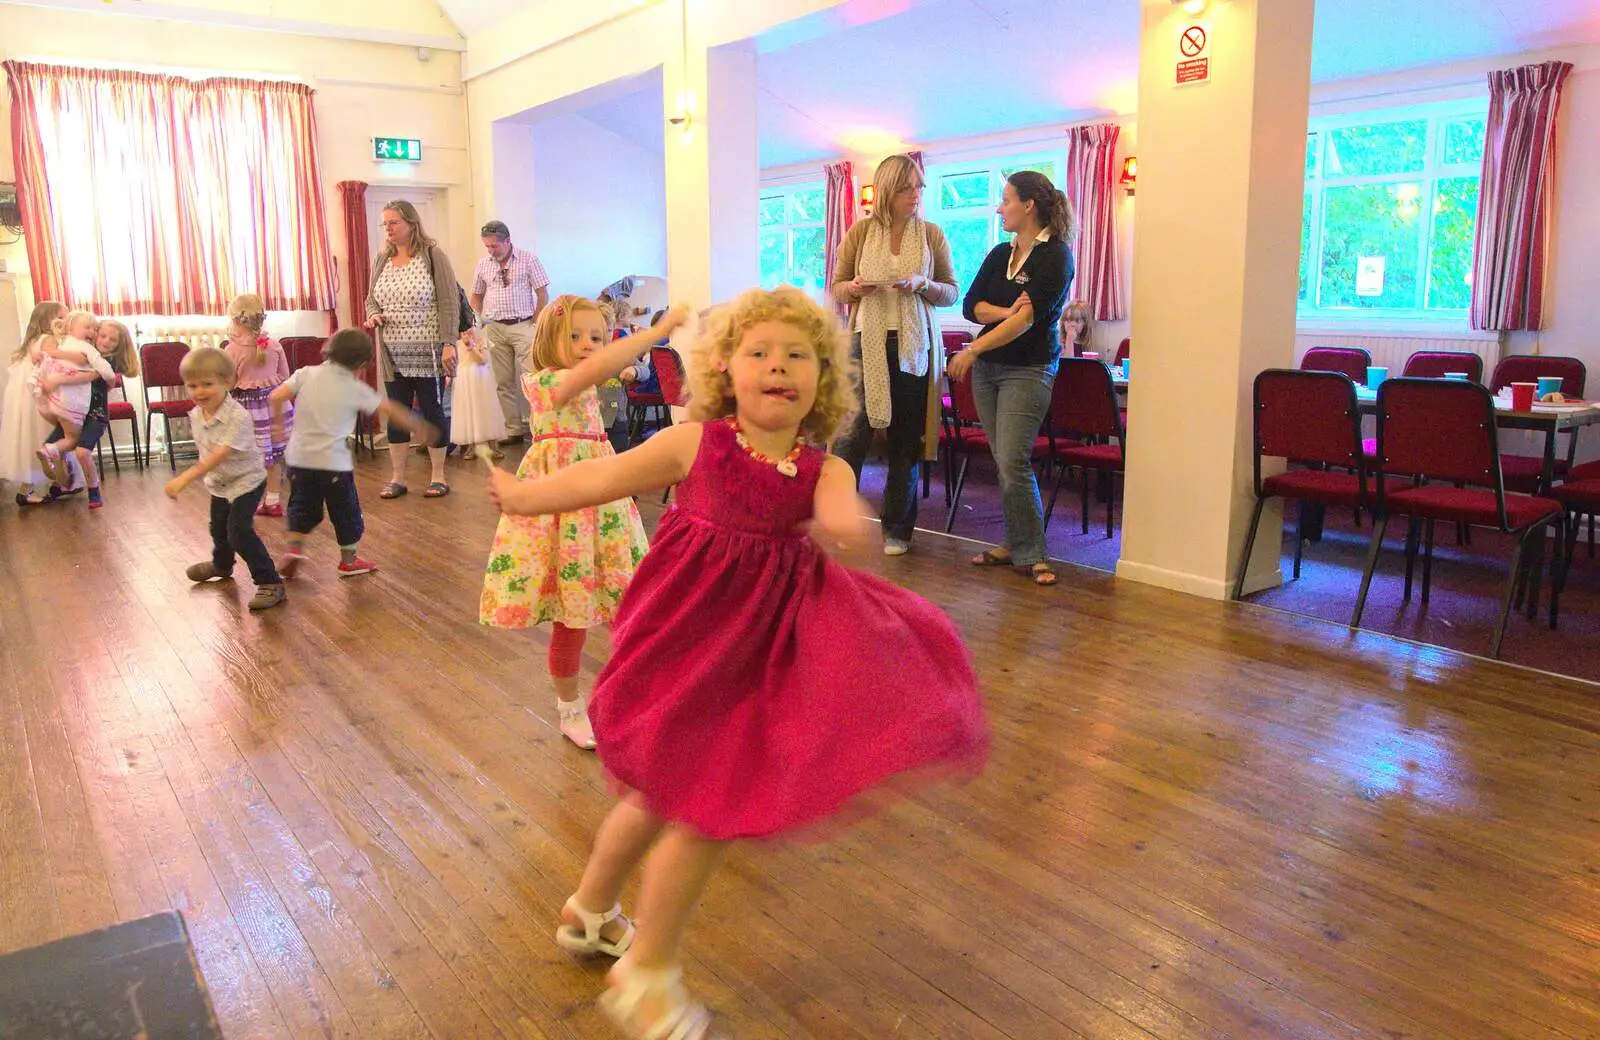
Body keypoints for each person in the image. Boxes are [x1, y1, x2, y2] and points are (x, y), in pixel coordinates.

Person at [488, 287, 987, 1040]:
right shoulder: (698, 443)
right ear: (726, 369)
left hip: (754, 663)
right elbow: (603, 476)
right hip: (680, 645)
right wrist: (526, 498)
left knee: (678, 798)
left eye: (798, 356)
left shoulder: (823, 470)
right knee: (689, 805)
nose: (777, 366)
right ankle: (645, 970)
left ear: (824, 379)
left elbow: (849, 524)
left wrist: (847, 530)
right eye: (759, 353)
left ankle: (590, 912)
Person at [481, 299, 684, 750]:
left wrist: (633, 372)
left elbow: (622, 377)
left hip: (602, 499)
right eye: (575, 336)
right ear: (548, 340)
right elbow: (593, 375)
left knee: (627, 602)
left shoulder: (594, 378)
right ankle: (570, 708)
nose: (587, 346)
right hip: (560, 505)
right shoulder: (545, 382)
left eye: (596, 336)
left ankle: (638, 696)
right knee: (569, 618)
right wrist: (654, 333)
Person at [949, 170, 1077, 587]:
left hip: (1029, 368)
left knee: (1013, 459)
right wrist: (1006, 313)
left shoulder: (1057, 256)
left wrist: (974, 348)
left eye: (1006, 200)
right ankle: (1013, 542)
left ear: (1029, 206)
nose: (999, 207)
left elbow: (1028, 323)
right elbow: (972, 306)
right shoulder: (999, 253)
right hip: (991, 371)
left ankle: (1033, 552)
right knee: (1004, 459)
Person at [830, 154, 960, 556]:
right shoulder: (860, 232)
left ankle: (898, 528)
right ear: (888, 190)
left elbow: (952, 290)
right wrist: (853, 289)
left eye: (919, 187)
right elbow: (836, 287)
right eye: (908, 188)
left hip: (914, 343)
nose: (916, 195)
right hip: (864, 338)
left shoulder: (933, 234)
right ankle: (839, 517)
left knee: (906, 436)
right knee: (853, 436)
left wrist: (923, 284)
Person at [271, 328, 434, 580]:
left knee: (301, 506)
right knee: (345, 510)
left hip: (299, 460)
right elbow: (391, 408)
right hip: (334, 464)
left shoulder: (306, 373)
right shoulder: (353, 388)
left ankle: (294, 550)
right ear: (360, 363)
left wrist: (279, 425)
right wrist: (420, 427)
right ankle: (349, 560)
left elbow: (275, 395)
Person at [164, 347, 285, 612]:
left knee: (239, 531)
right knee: (218, 528)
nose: (199, 391)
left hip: (247, 480)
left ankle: (270, 581)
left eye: (207, 384)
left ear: (228, 383)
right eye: (192, 385)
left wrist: (185, 478)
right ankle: (222, 564)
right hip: (220, 482)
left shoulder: (238, 416)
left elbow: (219, 454)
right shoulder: (197, 414)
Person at [366, 199, 455, 500]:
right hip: (392, 351)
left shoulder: (432, 255)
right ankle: (398, 477)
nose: (388, 229)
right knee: (398, 413)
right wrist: (373, 314)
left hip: (427, 349)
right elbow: (371, 299)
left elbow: (448, 302)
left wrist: (448, 344)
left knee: (432, 411)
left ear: (411, 223)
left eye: (394, 222)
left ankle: (439, 476)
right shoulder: (382, 259)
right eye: (385, 224)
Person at [40, 318, 139, 509]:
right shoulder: (86, 351)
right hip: (75, 411)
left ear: (119, 346)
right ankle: (64, 483)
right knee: (51, 446)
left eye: (112, 340)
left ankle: (93, 489)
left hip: (96, 414)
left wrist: (59, 379)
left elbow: (91, 375)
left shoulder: (107, 361)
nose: (106, 341)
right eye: (102, 336)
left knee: (82, 452)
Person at [469, 220, 550, 445]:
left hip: (523, 325)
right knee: (502, 382)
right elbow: (476, 295)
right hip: (494, 327)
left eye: (495, 246)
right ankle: (513, 429)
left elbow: (542, 293)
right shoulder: (484, 263)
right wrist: (476, 320)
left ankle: (539, 430)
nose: (491, 251)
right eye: (487, 246)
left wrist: (535, 323)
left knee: (532, 379)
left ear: (507, 240)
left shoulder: (528, 259)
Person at [222, 294, 292, 517]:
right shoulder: (274, 345)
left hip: (247, 412)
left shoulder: (231, 350)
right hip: (275, 408)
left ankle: (245, 502)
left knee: (246, 459)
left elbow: (229, 383)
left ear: (237, 321)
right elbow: (285, 376)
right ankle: (273, 500)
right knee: (273, 456)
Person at [33, 309, 113, 486]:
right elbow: (104, 370)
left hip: (49, 399)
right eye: (87, 327)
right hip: (70, 403)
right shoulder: (86, 348)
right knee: (72, 439)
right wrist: (110, 379)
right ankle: (49, 451)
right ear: (70, 328)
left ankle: (63, 476)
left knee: (64, 434)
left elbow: (40, 352)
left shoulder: (62, 343)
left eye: (94, 329)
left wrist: (40, 354)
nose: (92, 332)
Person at [2, 301, 64, 506]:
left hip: (24, 399)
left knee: (32, 441)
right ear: (50, 321)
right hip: (38, 398)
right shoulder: (49, 340)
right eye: (61, 319)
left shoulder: (31, 341)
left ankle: (31, 488)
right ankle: (58, 483)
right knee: (50, 438)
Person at [448, 324, 507, 462]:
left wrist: (471, 346)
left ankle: (493, 445)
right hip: (464, 379)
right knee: (468, 411)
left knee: (486, 409)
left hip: (481, 379)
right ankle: (471, 445)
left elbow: (483, 360)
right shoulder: (454, 343)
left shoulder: (480, 340)